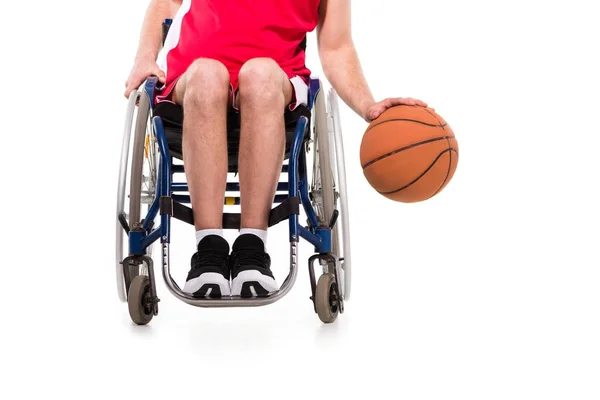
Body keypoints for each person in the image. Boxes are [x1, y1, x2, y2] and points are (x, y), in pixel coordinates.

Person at [124, 0, 427, 299]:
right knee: (207, 74)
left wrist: (368, 106)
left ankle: (252, 249)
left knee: (260, 74)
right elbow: (167, 3)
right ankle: (209, 250)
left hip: (275, 86)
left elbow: (336, 48)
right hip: (191, 83)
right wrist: (144, 59)